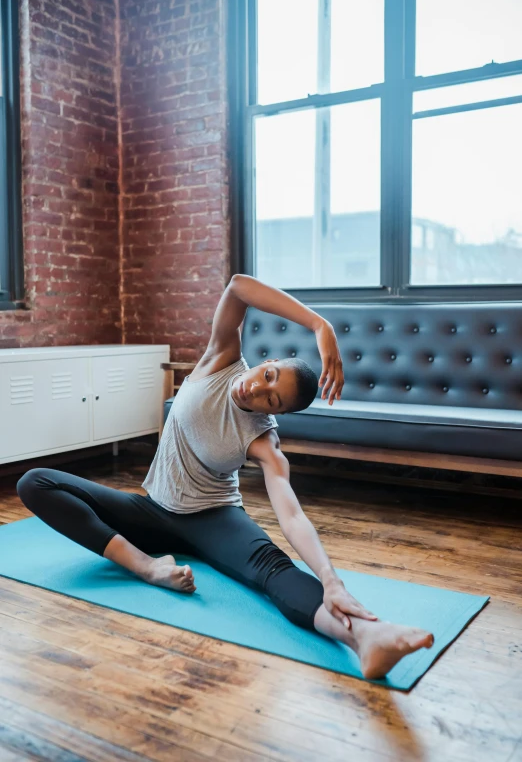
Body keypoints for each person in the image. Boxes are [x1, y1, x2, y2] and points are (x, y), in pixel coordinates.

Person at [17, 274, 434, 679]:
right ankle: (146, 567)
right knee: (35, 482)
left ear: (276, 413)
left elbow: (291, 515)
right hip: (150, 511)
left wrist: (331, 578)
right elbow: (237, 286)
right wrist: (319, 325)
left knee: (275, 571)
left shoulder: (262, 441)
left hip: (213, 518)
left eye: (270, 400)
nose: (254, 391)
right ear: (267, 362)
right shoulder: (222, 359)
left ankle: (365, 636)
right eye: (267, 377)